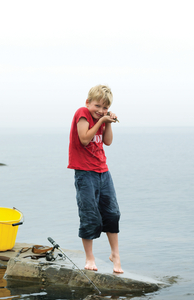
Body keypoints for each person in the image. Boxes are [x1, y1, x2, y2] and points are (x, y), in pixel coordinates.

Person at [68, 84, 123, 273]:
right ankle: (89, 257)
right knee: (90, 215)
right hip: (85, 173)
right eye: (97, 106)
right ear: (88, 103)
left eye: (105, 108)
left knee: (112, 213)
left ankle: (115, 254)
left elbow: (107, 141)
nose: (101, 111)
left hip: (103, 171)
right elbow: (84, 139)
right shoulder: (82, 113)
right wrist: (100, 121)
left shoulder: (101, 119)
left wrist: (107, 122)